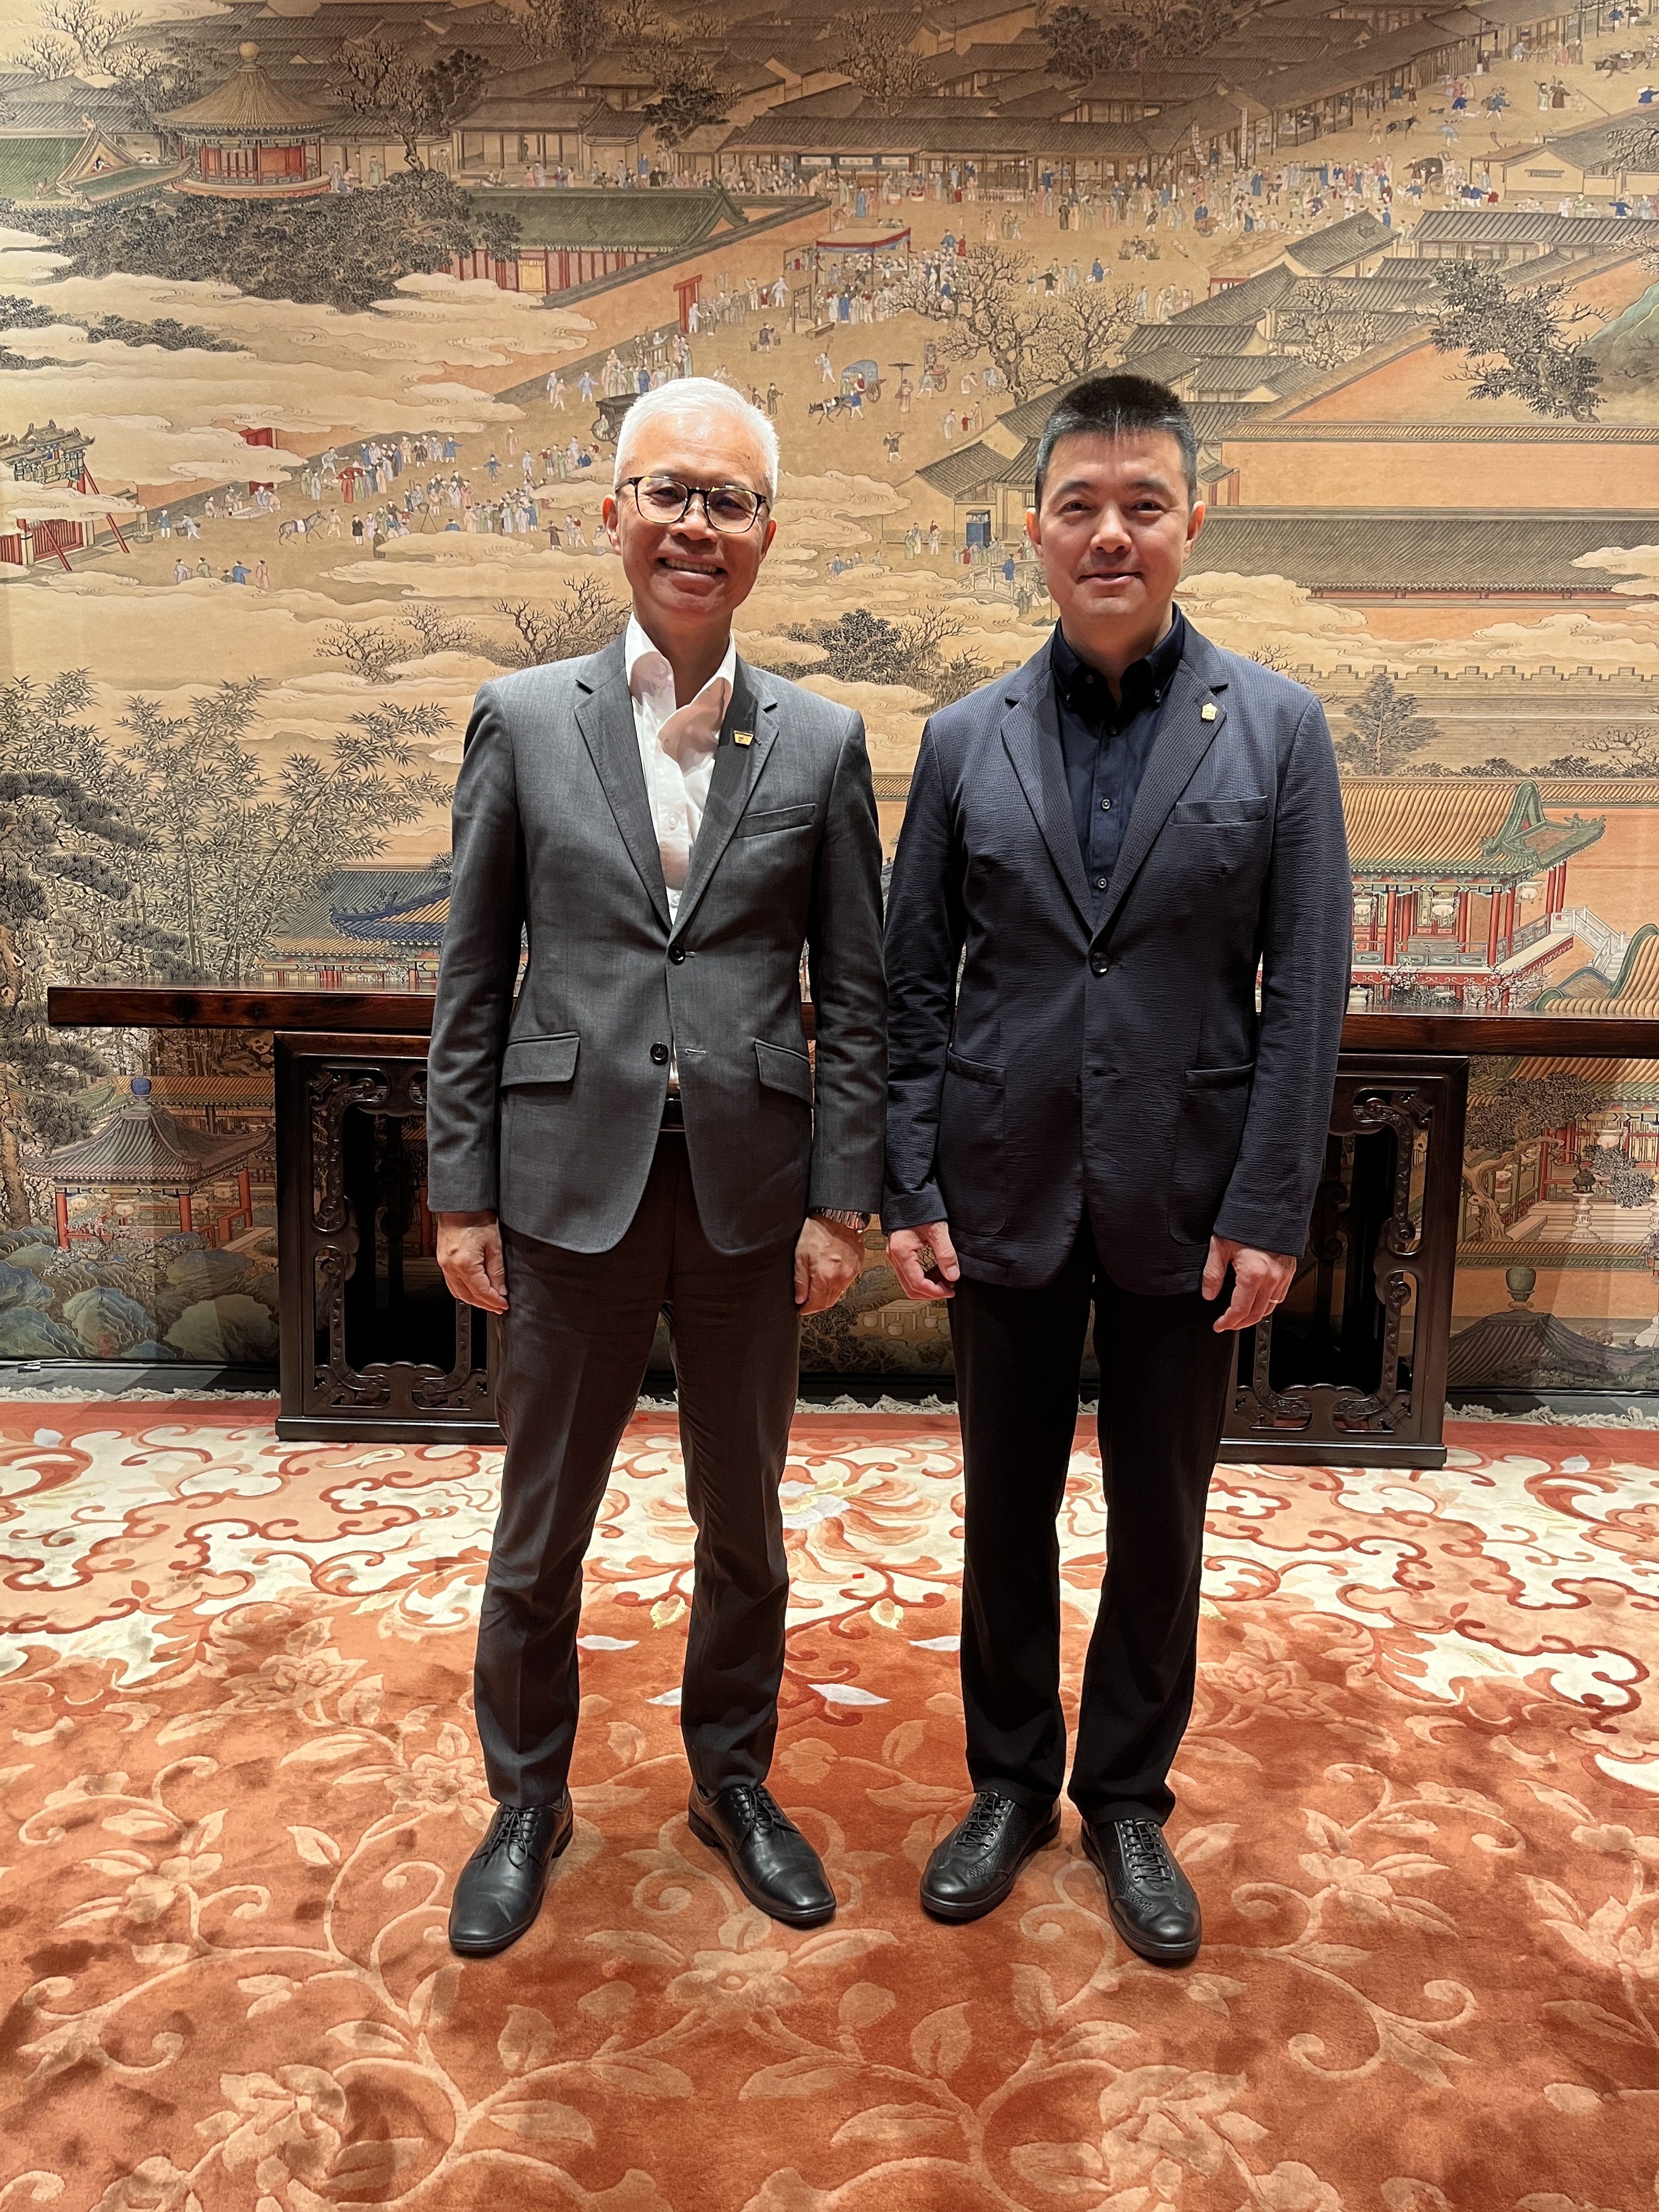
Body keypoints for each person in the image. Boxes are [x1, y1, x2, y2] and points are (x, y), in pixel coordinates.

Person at [882, 375, 1351, 1966]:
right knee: (1003, 1509)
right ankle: (1009, 1785)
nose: (1110, 535)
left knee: (1162, 1517)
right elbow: (910, 980)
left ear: (1191, 525)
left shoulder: (1276, 729)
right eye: (1079, 505)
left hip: (1190, 1194)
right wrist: (910, 1181)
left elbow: (1308, 990)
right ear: (1033, 530)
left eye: (1143, 505)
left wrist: (1270, 1206)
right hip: (999, 1184)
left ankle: (1131, 1800)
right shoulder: (965, 740)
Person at [426, 379, 887, 1959]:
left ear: (766, 534)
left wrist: (843, 1199)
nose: (698, 525)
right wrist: (462, 1190)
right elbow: (473, 975)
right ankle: (526, 1800)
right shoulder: (523, 717)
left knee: (743, 1520)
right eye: (669, 493)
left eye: (729, 501)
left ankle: (732, 1782)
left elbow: (858, 994)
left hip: (752, 1194)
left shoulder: (822, 741)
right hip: (568, 1183)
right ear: (615, 511)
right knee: (540, 1526)